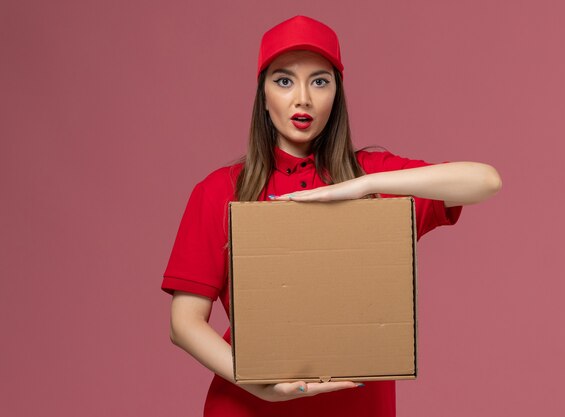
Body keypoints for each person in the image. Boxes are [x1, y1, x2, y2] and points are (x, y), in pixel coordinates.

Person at [161, 15, 502, 417]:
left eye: (320, 81)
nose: (302, 98)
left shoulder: (375, 178)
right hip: (248, 403)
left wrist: (358, 185)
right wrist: (257, 385)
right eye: (284, 80)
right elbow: (184, 323)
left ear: (337, 93)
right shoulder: (220, 190)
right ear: (263, 94)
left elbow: (484, 180)